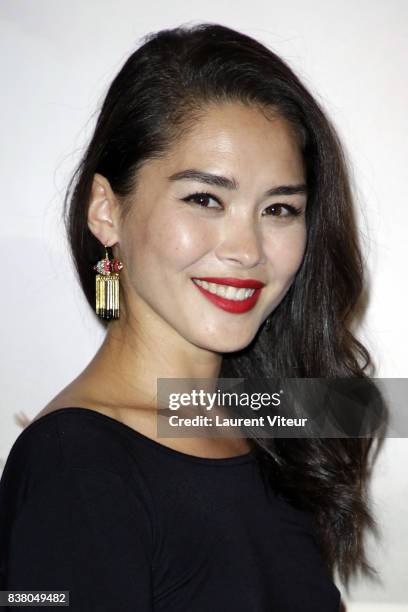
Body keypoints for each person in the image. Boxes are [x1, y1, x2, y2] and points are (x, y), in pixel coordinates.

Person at [0, 22, 381, 611]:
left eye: (279, 208)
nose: (248, 249)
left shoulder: (265, 419)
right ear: (106, 210)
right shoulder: (73, 467)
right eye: (205, 199)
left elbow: (376, 406)